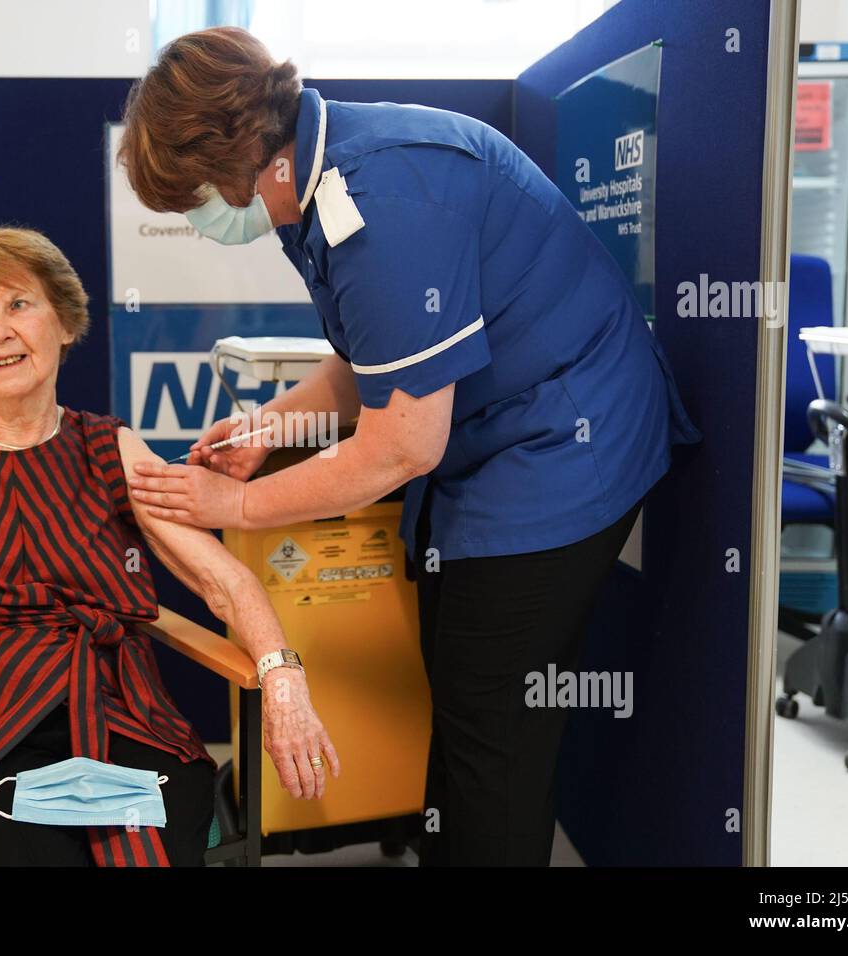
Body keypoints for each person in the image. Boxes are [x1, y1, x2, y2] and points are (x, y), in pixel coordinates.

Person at [117, 27, 701, 866]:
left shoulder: (386, 197)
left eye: (196, 199)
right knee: (465, 696)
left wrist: (235, 505)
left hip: (567, 443)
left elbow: (399, 449)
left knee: (492, 727)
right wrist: (267, 429)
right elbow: (370, 362)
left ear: (242, 153)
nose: (201, 222)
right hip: (495, 438)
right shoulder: (311, 181)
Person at [0, 226, 339, 867]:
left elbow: (225, 581)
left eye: (17, 305)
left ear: (64, 323)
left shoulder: (109, 448)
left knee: (154, 844)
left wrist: (284, 684)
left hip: (121, 716)